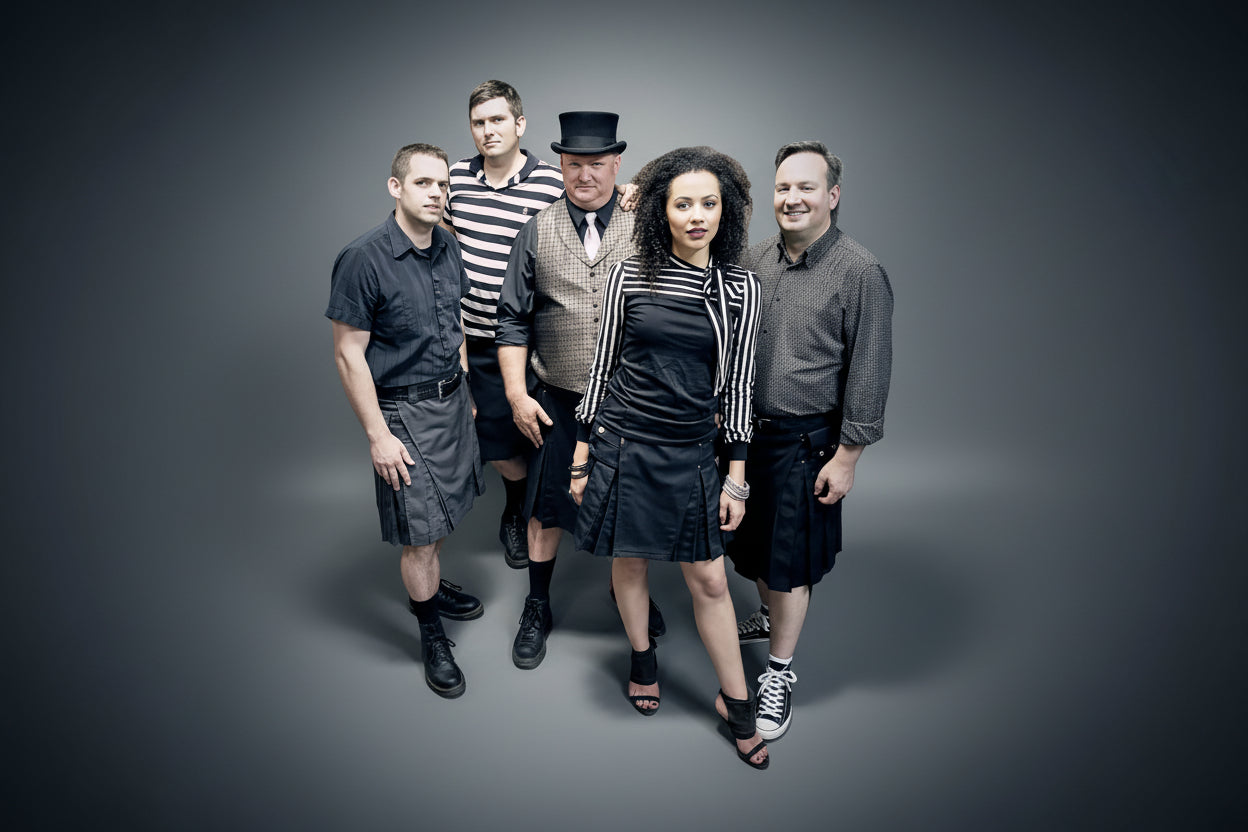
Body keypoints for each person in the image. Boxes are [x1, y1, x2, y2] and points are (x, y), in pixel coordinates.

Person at [570, 146, 769, 769]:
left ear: (725, 213)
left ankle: (736, 703)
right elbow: (600, 371)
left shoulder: (741, 288)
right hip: (625, 441)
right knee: (629, 565)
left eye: (709, 203)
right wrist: (580, 457)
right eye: (683, 203)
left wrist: (735, 479)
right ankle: (642, 658)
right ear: (663, 211)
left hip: (690, 451)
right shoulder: (629, 275)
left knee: (709, 578)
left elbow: (737, 387)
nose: (696, 215)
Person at [729, 141, 893, 740]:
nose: (791, 198)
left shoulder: (859, 271)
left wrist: (847, 456)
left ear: (832, 196)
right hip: (749, 440)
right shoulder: (753, 261)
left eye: (805, 187)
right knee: (751, 550)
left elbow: (870, 372)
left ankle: (778, 671)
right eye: (782, 188)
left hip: (810, 443)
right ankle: (770, 615)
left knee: (790, 561)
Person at [495, 111, 663, 670]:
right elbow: (512, 320)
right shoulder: (536, 228)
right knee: (546, 509)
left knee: (632, 504)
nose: (584, 175)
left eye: (597, 164)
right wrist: (519, 396)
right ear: (560, 166)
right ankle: (537, 604)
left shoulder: (648, 225)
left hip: (632, 402)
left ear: (617, 164)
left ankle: (627, 590)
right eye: (573, 164)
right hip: (558, 399)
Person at [326, 143, 485, 699]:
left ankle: (431, 590)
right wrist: (378, 436)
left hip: (449, 403)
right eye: (423, 184)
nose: (437, 194)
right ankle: (430, 632)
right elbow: (349, 355)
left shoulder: (447, 246)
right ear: (396, 187)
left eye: (443, 185)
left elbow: (455, 318)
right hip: (401, 411)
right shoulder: (363, 258)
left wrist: (462, 384)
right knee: (418, 537)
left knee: (442, 520)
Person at [442, 81, 565, 570]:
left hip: (541, 341)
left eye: (497, 120)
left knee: (550, 435)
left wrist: (628, 193)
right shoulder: (454, 178)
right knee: (496, 439)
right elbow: (443, 243)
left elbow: (595, 213)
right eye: (478, 122)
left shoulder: (552, 182)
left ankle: (543, 517)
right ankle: (516, 506)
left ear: (520, 124)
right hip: (479, 339)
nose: (487, 131)